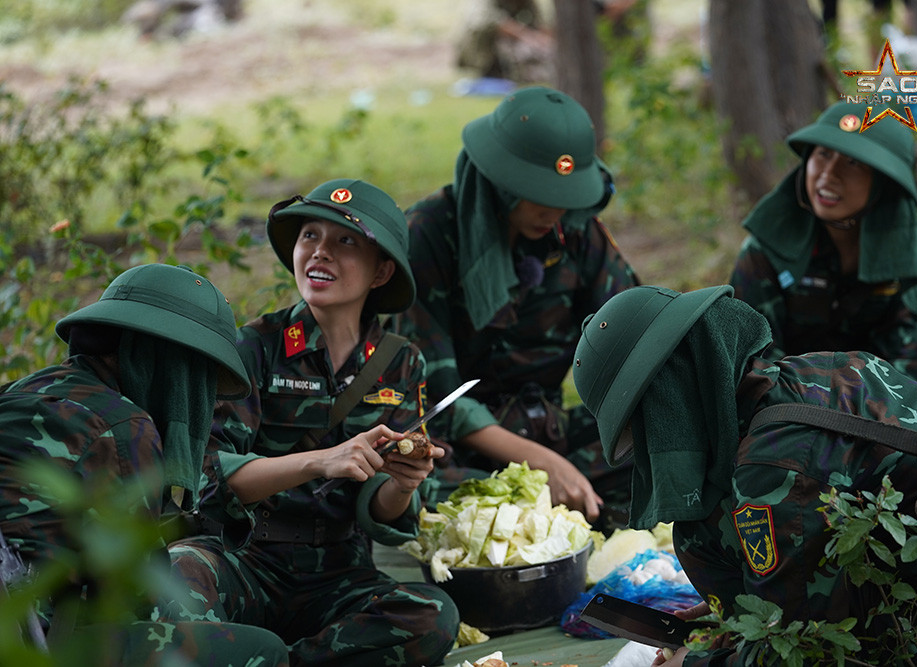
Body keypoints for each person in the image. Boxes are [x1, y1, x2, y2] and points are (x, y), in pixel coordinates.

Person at [572, 284, 917, 665]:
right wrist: (747, 602)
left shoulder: (772, 468)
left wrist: (693, 661)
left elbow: (799, 652)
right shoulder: (815, 372)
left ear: (669, 400)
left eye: (643, 425)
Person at [163, 179, 459, 667]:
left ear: (381, 271)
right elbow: (209, 475)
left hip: (338, 573)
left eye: (345, 242)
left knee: (433, 615)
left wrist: (403, 484)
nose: (320, 253)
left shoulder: (400, 363)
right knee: (176, 576)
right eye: (310, 236)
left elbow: (382, 515)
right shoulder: (254, 346)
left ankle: (278, 660)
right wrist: (322, 461)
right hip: (246, 559)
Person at [0, 263, 290, 665]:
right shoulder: (125, 427)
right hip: (35, 647)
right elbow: (135, 598)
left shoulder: (22, 391)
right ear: (170, 364)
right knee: (263, 649)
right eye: (200, 377)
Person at [397, 85, 639, 525]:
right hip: (461, 443)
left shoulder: (575, 230)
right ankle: (550, 511)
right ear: (500, 178)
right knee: (411, 485)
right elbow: (435, 391)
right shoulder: (429, 233)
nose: (555, 210)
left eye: (565, 196)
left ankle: (573, 516)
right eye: (539, 192)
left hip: (547, 429)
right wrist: (539, 465)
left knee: (658, 438)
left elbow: (633, 328)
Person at [728, 100, 917, 398]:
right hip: (791, 395)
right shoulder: (767, 249)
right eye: (822, 154)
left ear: (884, 183)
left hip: (878, 392)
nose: (828, 174)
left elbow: (904, 361)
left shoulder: (901, 249)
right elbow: (752, 363)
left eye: (853, 162)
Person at [455, 0, 554, 84]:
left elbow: (540, 25)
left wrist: (543, 40)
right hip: (481, 50)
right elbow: (491, 22)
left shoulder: (527, 2)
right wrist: (527, 36)